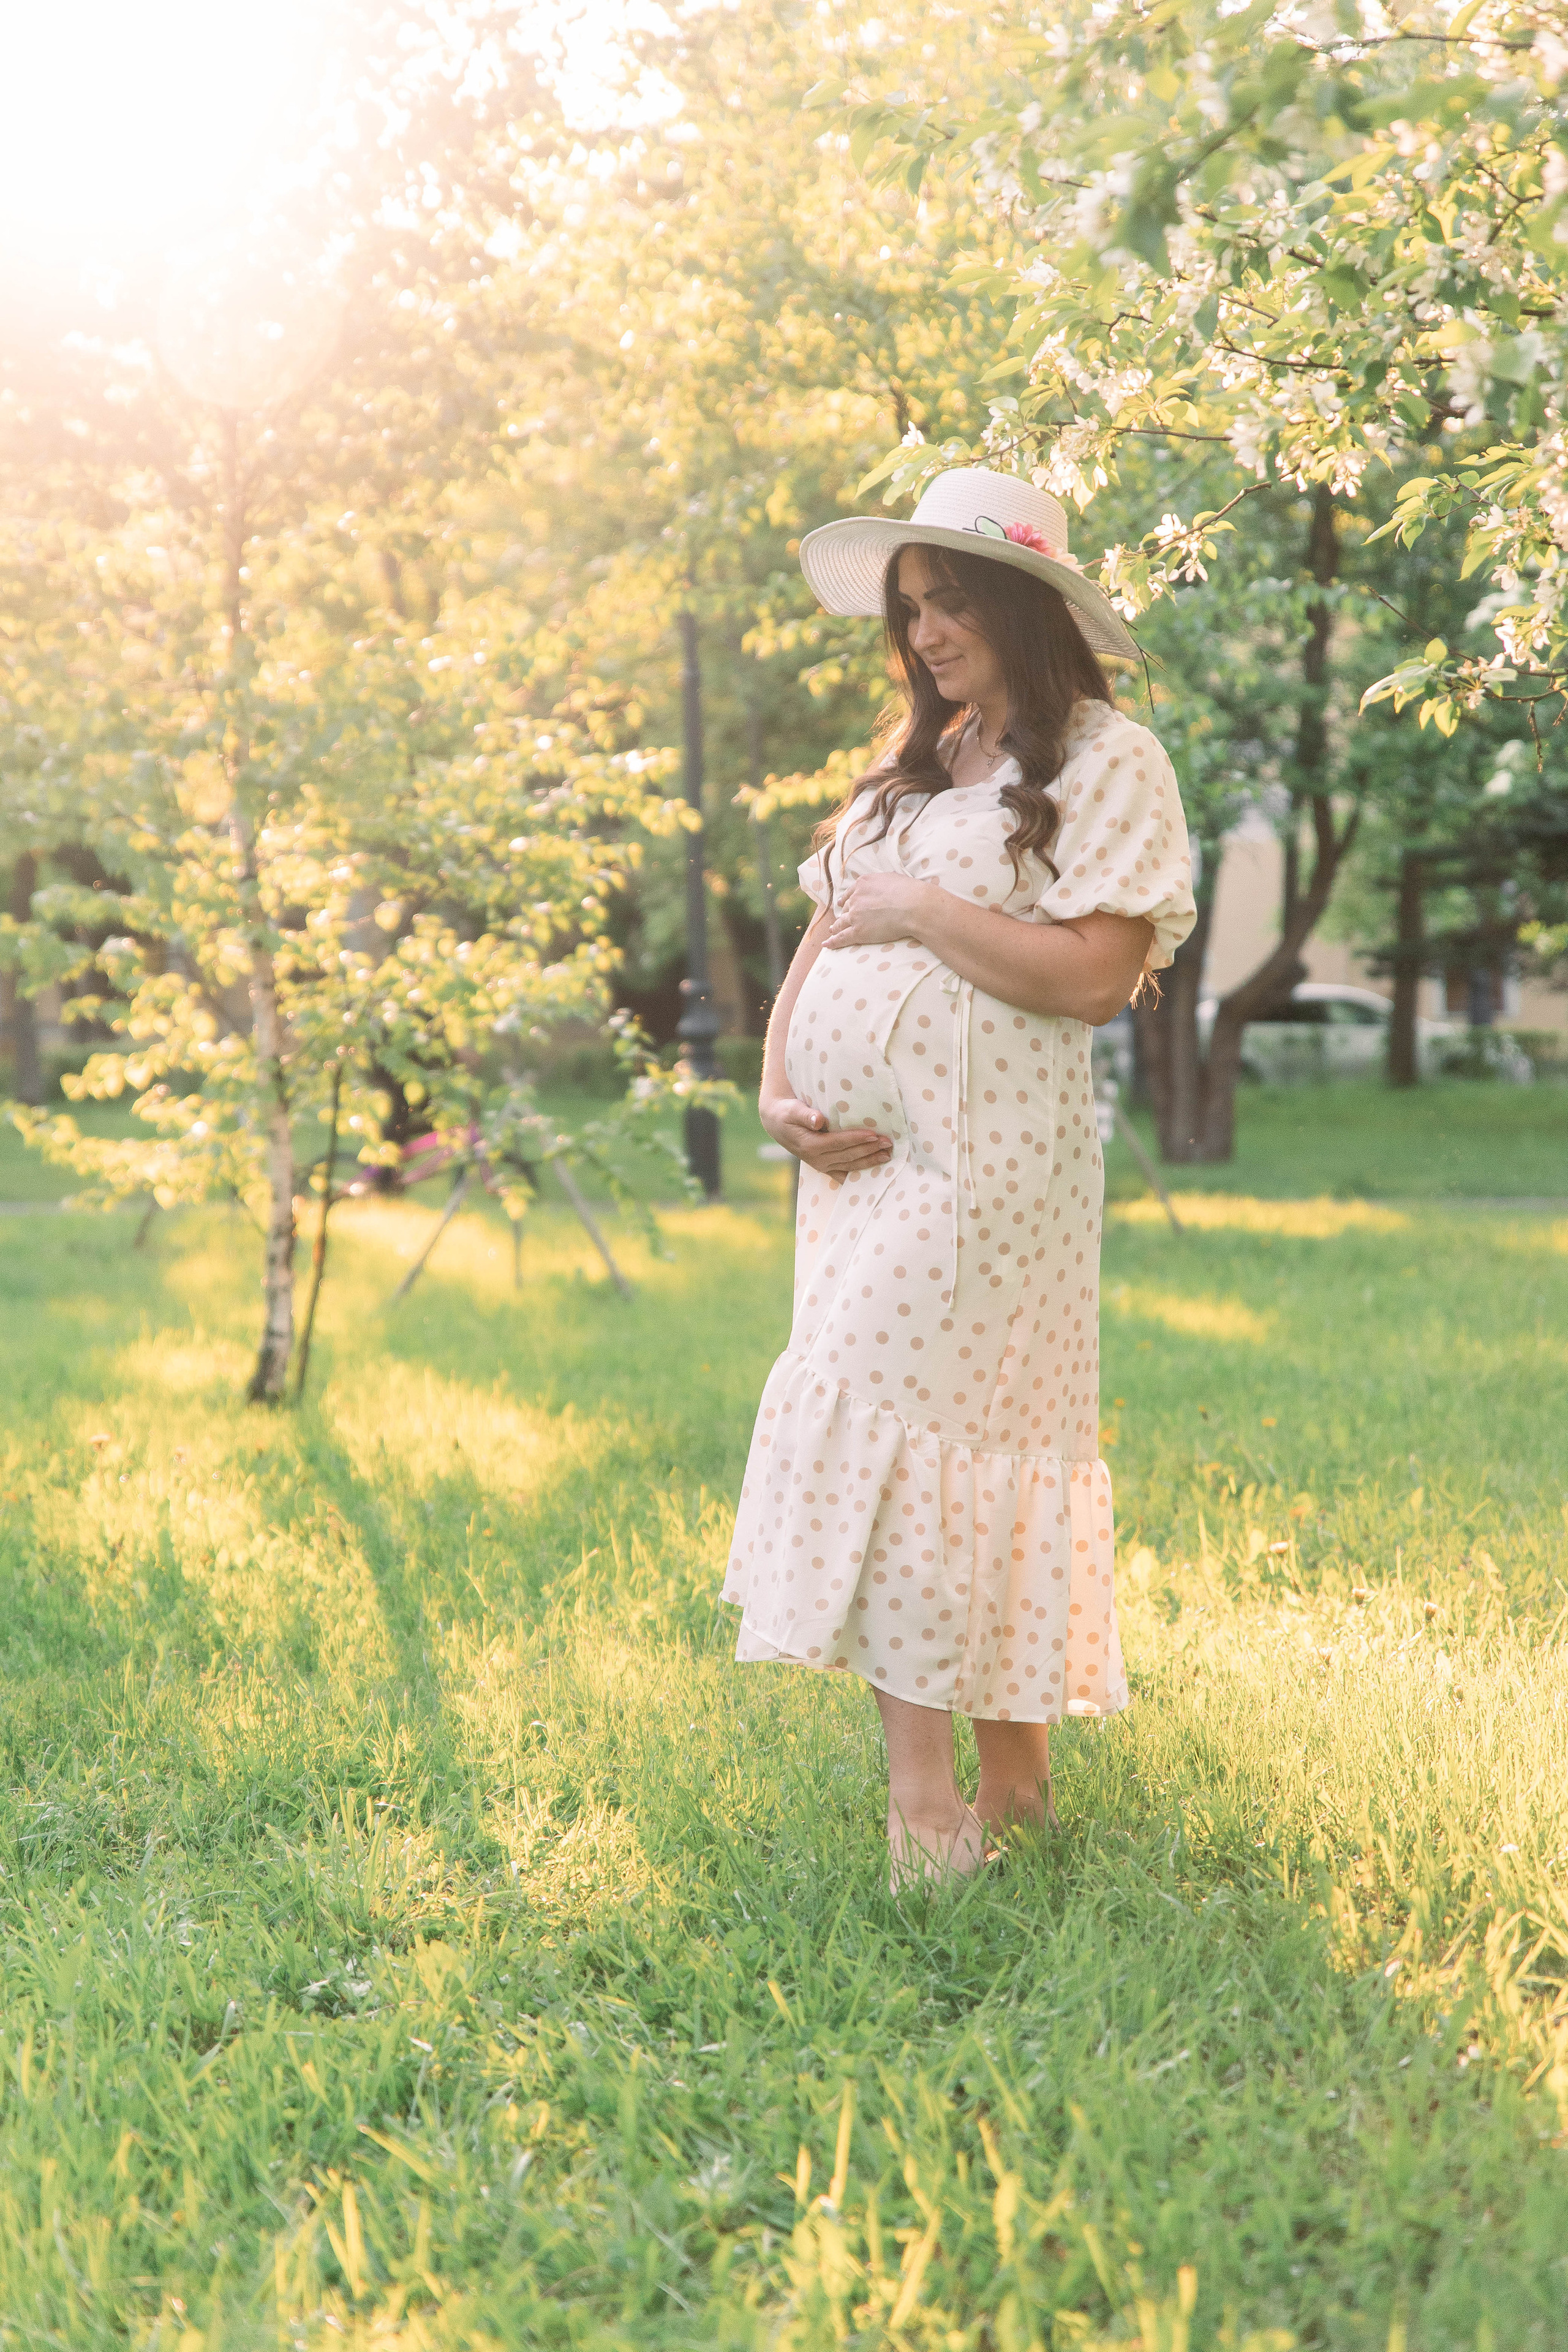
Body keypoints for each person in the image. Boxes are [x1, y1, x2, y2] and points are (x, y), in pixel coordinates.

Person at [721, 467, 1196, 1888]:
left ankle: (926, 1814)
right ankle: (1017, 1790)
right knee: (940, 1446)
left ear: (1022, 606)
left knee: (933, 1441)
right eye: (910, 610)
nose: (924, 635)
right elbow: (821, 937)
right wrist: (774, 1092)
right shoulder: (913, 766)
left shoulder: (1106, 761)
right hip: (860, 1177)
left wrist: (928, 910)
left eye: (950, 604)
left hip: (992, 1173)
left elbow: (1097, 977)